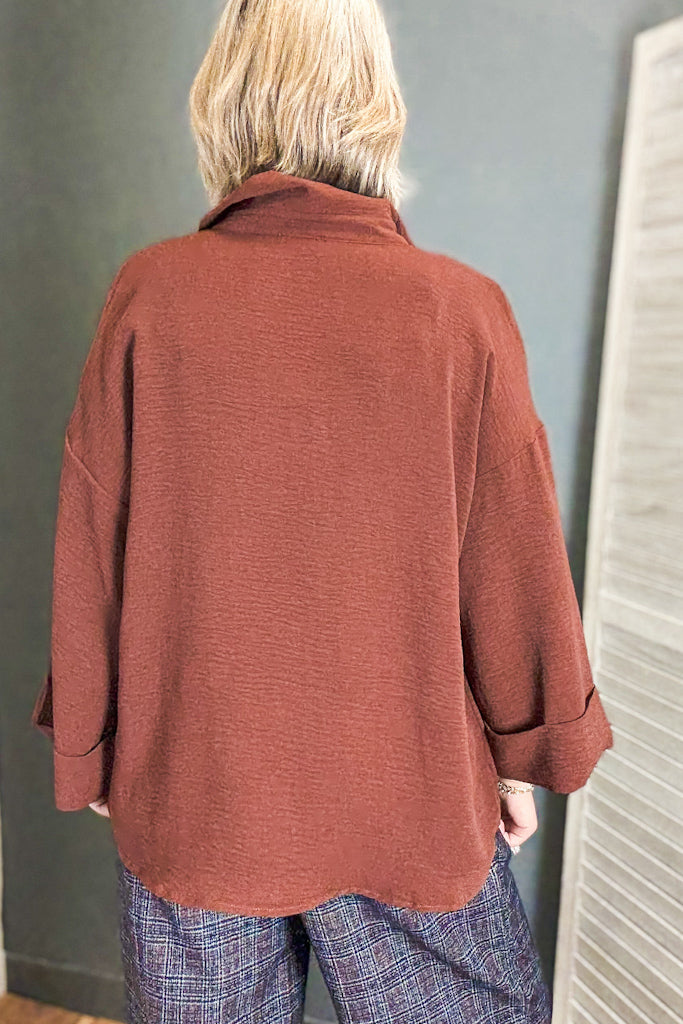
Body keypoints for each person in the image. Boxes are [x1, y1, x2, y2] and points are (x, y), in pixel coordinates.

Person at [31, 1, 614, 1021]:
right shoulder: (458, 312)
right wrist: (520, 761)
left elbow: (93, 542)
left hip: (201, 799)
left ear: (223, 100)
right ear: (374, 100)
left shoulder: (150, 296)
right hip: (409, 801)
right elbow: (510, 561)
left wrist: (96, 745)